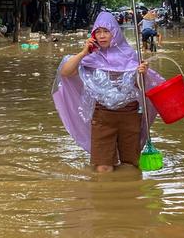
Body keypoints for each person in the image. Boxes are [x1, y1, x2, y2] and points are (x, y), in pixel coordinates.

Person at [53, 12, 164, 173]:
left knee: (129, 166)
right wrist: (84, 52)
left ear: (115, 33)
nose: (102, 36)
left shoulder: (131, 56)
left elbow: (140, 88)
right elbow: (66, 73)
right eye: (98, 32)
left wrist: (142, 73)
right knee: (103, 167)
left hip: (130, 115)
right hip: (102, 116)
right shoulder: (91, 58)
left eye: (106, 31)